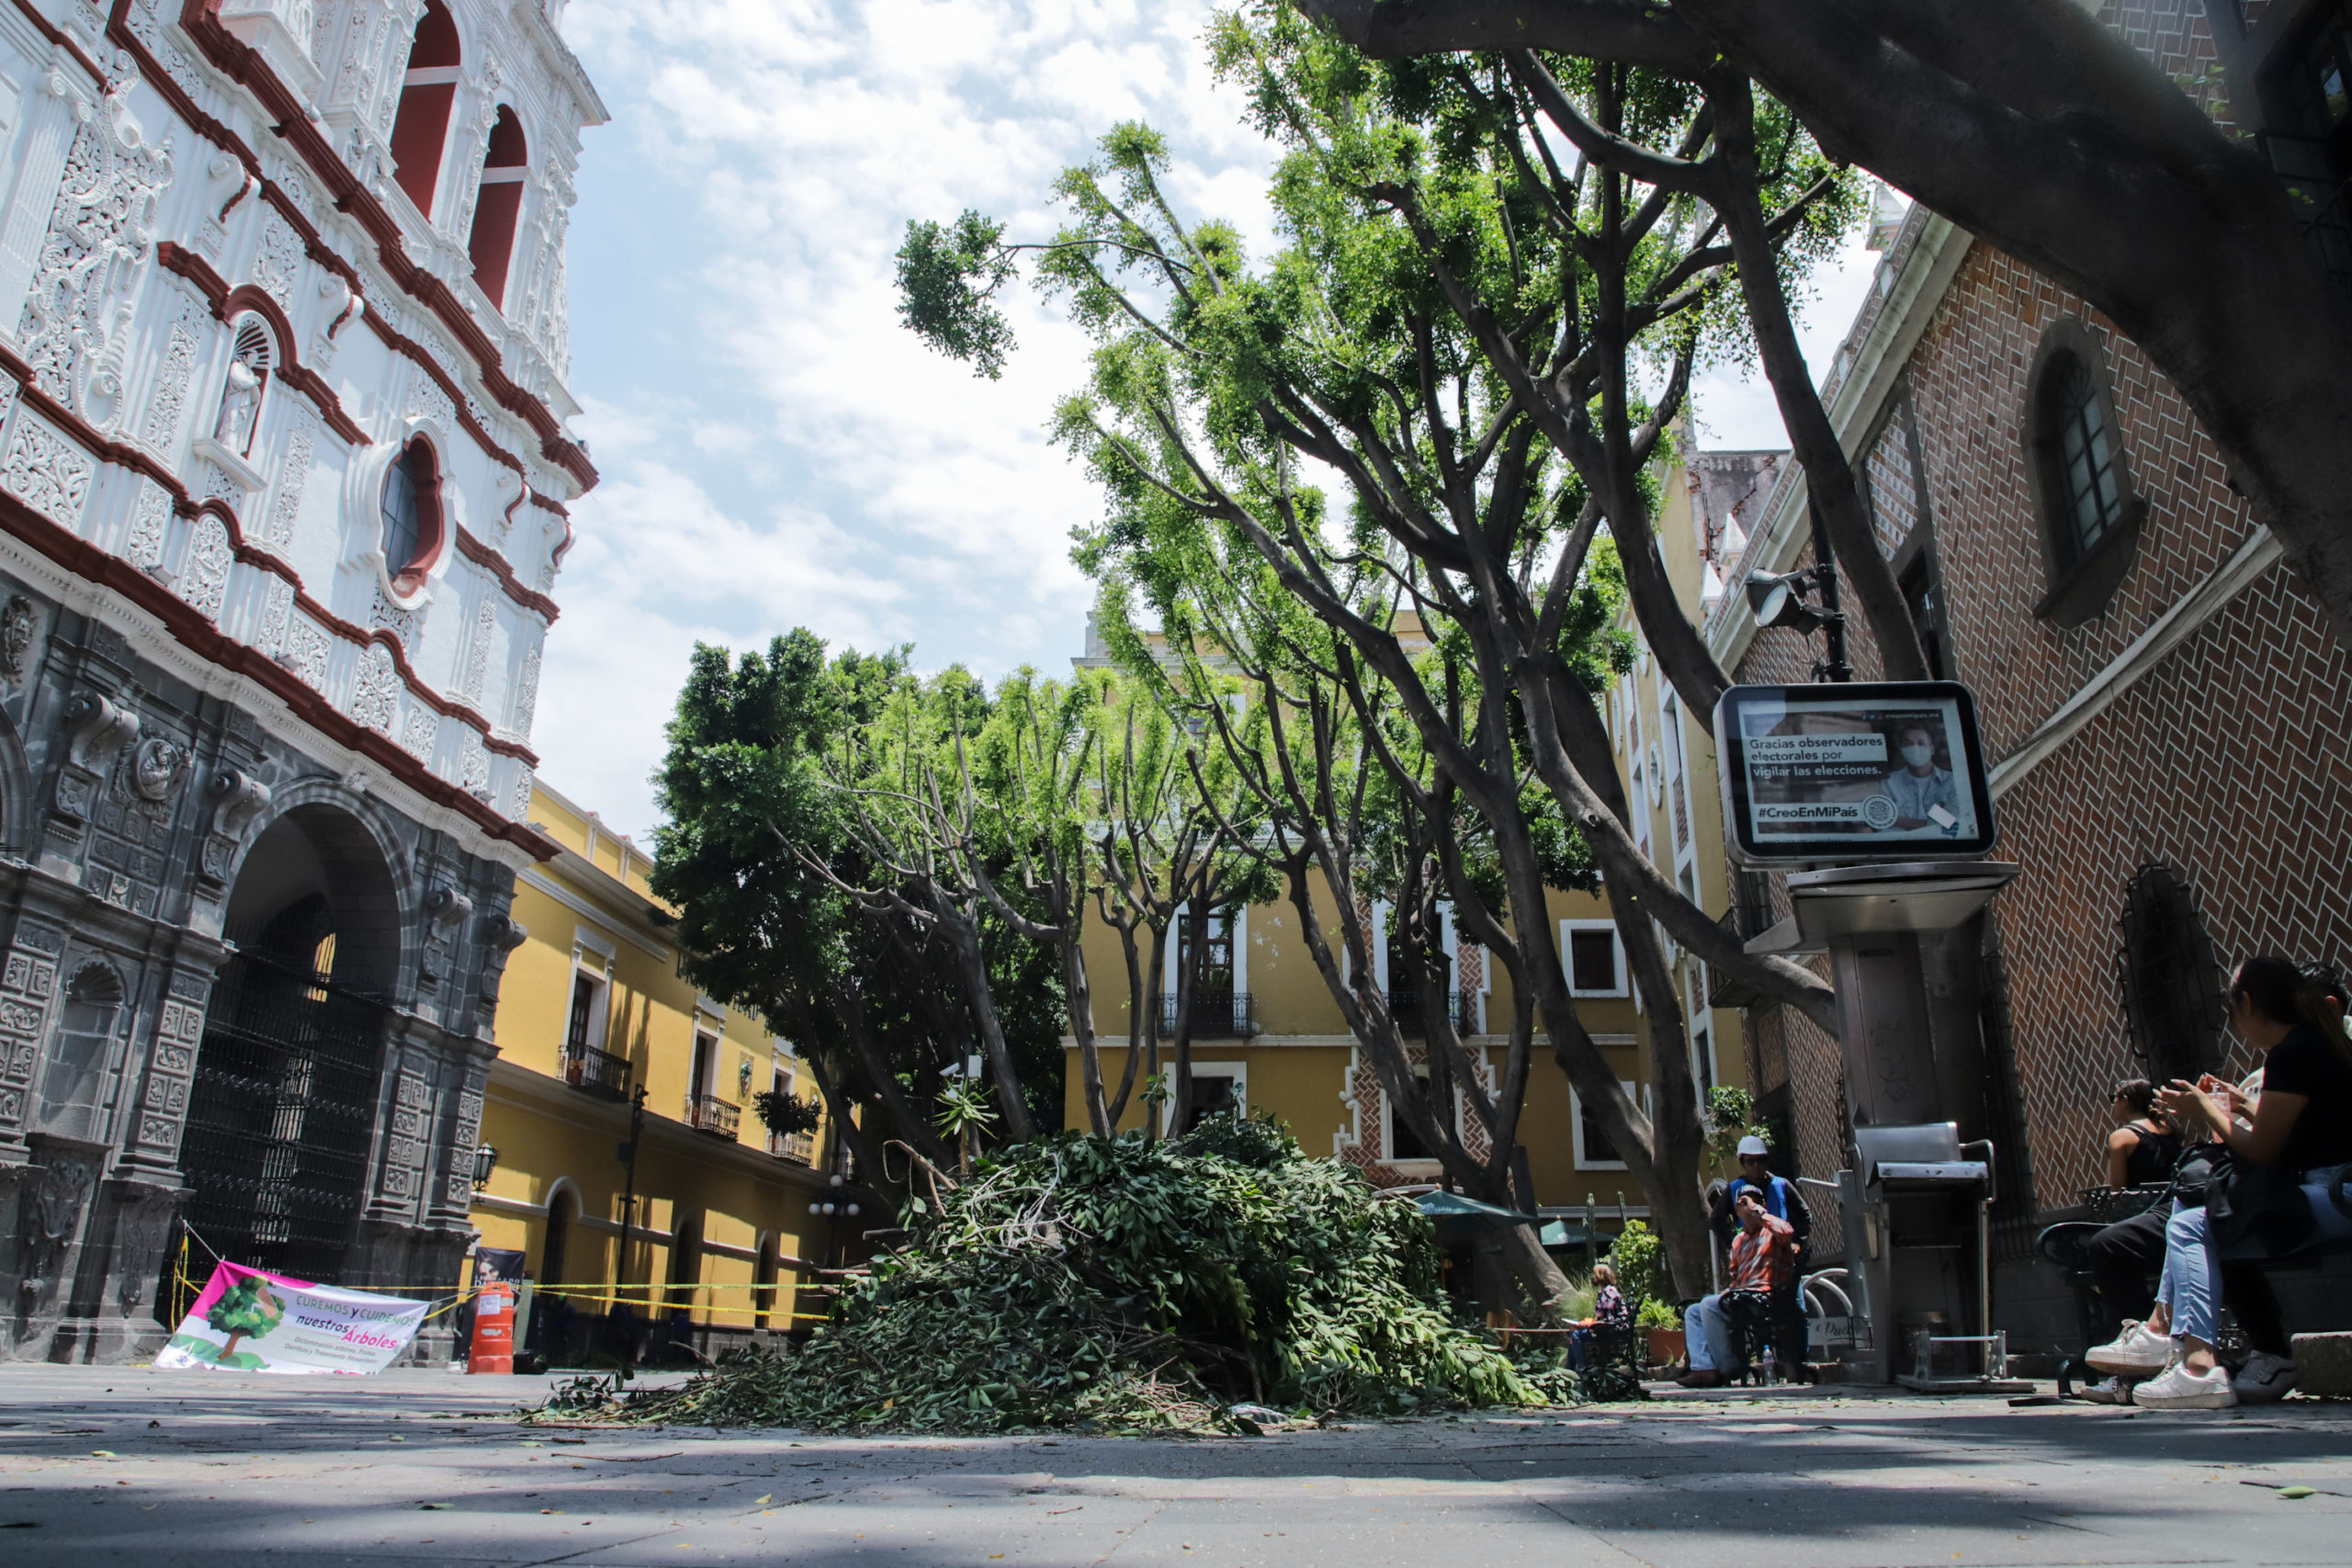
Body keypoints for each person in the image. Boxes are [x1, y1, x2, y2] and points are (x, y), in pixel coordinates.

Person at [2086, 957, 2352, 1409]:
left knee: (2193, 1222)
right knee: (2200, 1216)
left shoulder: (2294, 1052)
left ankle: (2191, 1363)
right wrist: (2241, 1107)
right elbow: (2306, 1131)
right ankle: (2173, 1345)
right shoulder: (2313, 1045)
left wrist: (2206, 1112)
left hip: (2334, 1195)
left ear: (2247, 1003)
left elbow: (2264, 1151)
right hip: (2331, 1188)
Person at [1678, 1190, 1795, 1389]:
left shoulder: (1772, 1234)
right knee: (1694, 1311)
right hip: (1741, 1297)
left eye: (1755, 1202)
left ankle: (1728, 1368)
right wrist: (1730, 1292)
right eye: (1744, 1204)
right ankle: (1704, 1367)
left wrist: (1755, 1209)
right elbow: (1735, 1279)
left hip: (1764, 1297)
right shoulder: (1738, 1241)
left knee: (1708, 1305)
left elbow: (1786, 1232)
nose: (1749, 1207)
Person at [1710, 1134, 1813, 1269]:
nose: (1756, 1165)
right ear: (1742, 1163)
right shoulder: (1734, 1189)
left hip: (1783, 1258)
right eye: (1750, 1161)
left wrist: (1797, 1242)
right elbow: (1716, 1220)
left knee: (1792, 1290)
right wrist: (1733, 1244)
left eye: (1761, 1160)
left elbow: (1805, 1214)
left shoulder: (1781, 1185)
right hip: (1751, 1260)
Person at [1869, 722, 1960, 834]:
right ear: (1902, 750)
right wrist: (1931, 823)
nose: (1915, 748)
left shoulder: (1951, 781)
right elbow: (1883, 827)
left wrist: (1899, 820)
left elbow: (1952, 825)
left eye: (1921, 743)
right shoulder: (1889, 782)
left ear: (1932, 750)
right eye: (1909, 744)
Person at [2105, 1079, 2181, 1190]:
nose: (2113, 1104)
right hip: (2174, 1201)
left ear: (2125, 1100)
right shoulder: (2168, 1127)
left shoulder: (2121, 1137)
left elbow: (2116, 1189)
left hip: (2143, 1205)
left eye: (2113, 1098)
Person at [1565, 1261, 1631, 1371]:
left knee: (1576, 1334)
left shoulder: (1608, 1293)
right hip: (1610, 1329)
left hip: (1613, 1332)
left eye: (1595, 1274)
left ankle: (1582, 1368)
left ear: (1601, 1276)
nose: (1593, 1277)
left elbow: (1607, 1320)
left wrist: (1588, 1325)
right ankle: (1570, 1370)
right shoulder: (1607, 1291)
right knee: (1574, 1332)